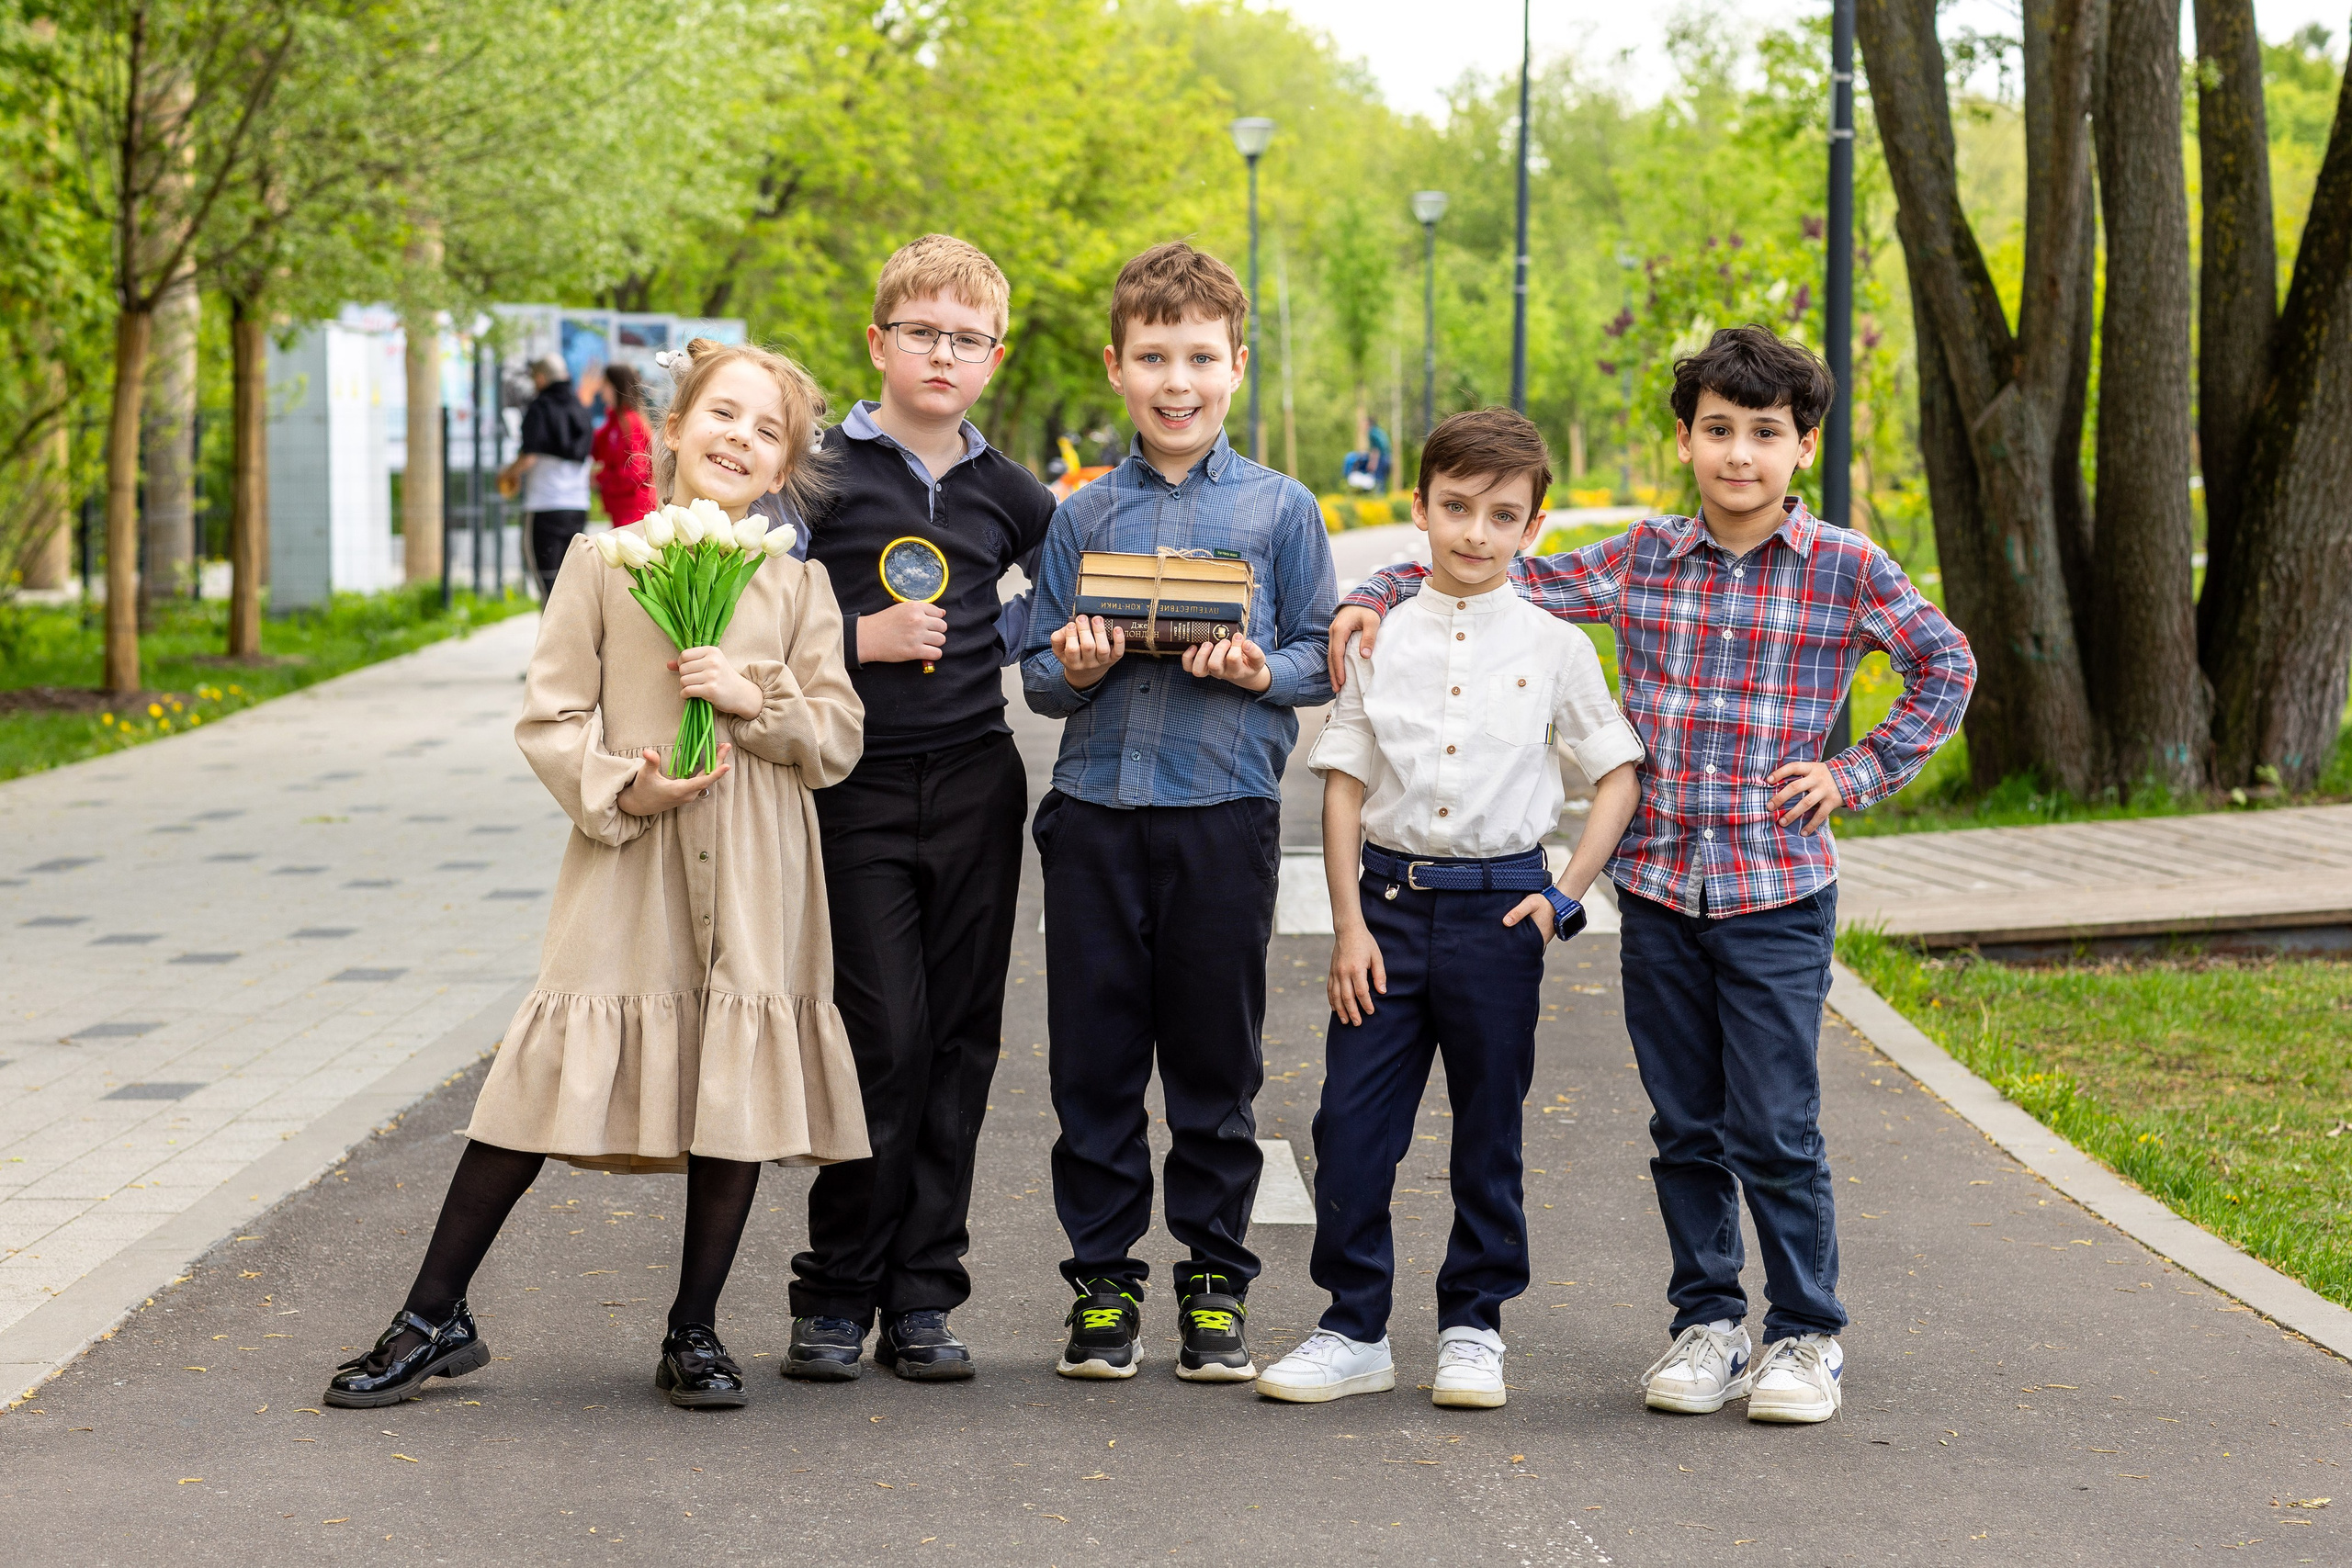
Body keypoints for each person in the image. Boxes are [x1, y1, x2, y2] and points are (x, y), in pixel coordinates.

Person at [1328, 325, 1975, 1425]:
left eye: (1764, 433)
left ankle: (1804, 1333)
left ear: (1802, 446)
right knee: (1685, 1126)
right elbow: (1496, 565)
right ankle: (1708, 1323)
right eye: (1717, 430)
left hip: (1776, 892)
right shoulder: (1641, 558)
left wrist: (1854, 772)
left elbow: (1944, 664)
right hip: (1662, 892)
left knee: (1773, 1125)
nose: (1739, 454)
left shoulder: (1845, 568)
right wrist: (1376, 591)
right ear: (1685, 440)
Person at [322, 339, 866, 1414]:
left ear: (783, 468)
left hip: (755, 861)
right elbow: (551, 715)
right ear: (674, 428)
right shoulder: (604, 563)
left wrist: (754, 702)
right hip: (630, 856)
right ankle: (432, 1315)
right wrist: (627, 787)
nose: (741, 439)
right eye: (724, 415)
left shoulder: (799, 584)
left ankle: (694, 1329)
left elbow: (836, 735)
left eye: (768, 432)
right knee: (541, 1071)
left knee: (732, 1083)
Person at [1257, 409, 1643, 1410]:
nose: (1476, 532)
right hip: (1385, 912)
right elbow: (1343, 784)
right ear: (1420, 508)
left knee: (1488, 1132)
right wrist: (1347, 928)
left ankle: (1474, 1326)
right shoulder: (1377, 639)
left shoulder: (1556, 646)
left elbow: (1616, 773)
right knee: (1351, 1126)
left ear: (1533, 527)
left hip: (1500, 916)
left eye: (1502, 515)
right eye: (1457, 507)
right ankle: (1353, 1327)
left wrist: (1561, 898)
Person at [1021, 240, 1337, 1382]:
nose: (1177, 381)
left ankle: (1214, 1282)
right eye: (1153, 357)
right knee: (1093, 1067)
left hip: (1223, 817)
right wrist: (1077, 665)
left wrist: (1261, 670)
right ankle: (1102, 1286)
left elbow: (1321, 654)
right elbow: (1040, 676)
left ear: (1236, 366)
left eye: (1200, 357)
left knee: (1215, 1067)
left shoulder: (1281, 509)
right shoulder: (1082, 514)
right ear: (1116, 367)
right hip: (1094, 817)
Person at [783, 234, 1058, 1383]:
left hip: (975, 783)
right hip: (853, 786)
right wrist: (861, 638)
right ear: (878, 342)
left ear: (995, 357)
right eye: (921, 333)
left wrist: (1009, 638)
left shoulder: (1013, 493)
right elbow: (756, 624)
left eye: (967, 339)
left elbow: (1060, 605)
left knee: (957, 1045)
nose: (943, 355)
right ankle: (834, 1290)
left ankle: (923, 1298)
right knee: (880, 1040)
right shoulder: (814, 473)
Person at [503, 353, 596, 596]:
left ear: (541, 378)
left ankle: (551, 623)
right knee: (571, 584)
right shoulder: (580, 408)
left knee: (548, 584)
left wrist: (507, 474)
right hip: (577, 506)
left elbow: (530, 456)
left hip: (545, 506)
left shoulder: (539, 407)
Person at [593, 361, 658, 527]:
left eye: (605, 383)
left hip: (634, 511)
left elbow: (637, 471)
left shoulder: (630, 422)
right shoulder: (614, 421)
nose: (601, 388)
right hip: (621, 509)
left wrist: (601, 479)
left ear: (616, 386)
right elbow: (594, 449)